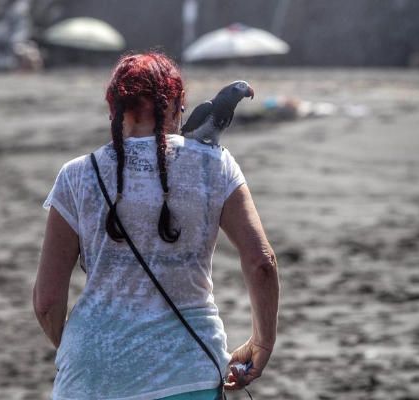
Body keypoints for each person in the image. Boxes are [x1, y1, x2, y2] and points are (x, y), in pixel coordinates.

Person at [32, 51, 280, 400]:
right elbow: (262, 263)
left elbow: (46, 301)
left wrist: (87, 349)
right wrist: (262, 341)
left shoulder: (76, 176)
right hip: (188, 374)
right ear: (178, 105)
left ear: (112, 110)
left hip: (89, 379)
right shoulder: (214, 165)